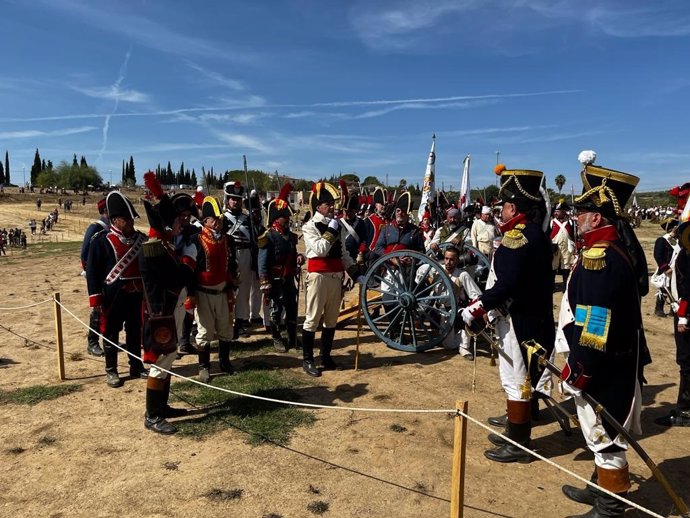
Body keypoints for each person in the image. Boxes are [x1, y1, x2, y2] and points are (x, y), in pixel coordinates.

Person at [558, 153, 646, 518]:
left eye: (580, 214)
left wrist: (580, 369)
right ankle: (599, 487)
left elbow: (595, 324)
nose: (575, 219)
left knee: (605, 435)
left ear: (596, 216)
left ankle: (611, 507)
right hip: (613, 358)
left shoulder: (601, 258)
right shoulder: (607, 250)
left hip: (607, 366)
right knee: (599, 432)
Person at [461, 164, 554, 463]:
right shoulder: (536, 235)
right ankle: (516, 431)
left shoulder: (517, 238)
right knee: (518, 380)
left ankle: (519, 443)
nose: (500, 212)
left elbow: (508, 284)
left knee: (517, 380)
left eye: (504, 206)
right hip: (530, 316)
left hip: (519, 320)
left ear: (513, 207)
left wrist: (477, 307)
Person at [139, 172, 197, 435]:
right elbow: (174, 278)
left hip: (171, 309)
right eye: (175, 222)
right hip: (161, 314)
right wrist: (189, 261)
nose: (179, 226)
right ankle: (152, 416)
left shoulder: (166, 245)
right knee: (160, 362)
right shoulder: (155, 248)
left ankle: (163, 407)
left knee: (169, 358)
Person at [86, 192, 148, 388]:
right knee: (111, 333)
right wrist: (95, 299)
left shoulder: (141, 239)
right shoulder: (101, 240)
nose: (130, 222)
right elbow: (93, 271)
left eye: (131, 218)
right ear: (115, 219)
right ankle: (111, 370)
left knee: (134, 332)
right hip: (112, 297)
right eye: (126, 219)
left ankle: (136, 365)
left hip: (136, 295)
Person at [301, 181, 358, 377]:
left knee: (332, 320)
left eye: (333, 204)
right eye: (328, 204)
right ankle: (308, 359)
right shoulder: (309, 226)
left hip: (335, 277)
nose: (332, 207)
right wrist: (332, 230)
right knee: (312, 319)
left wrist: (354, 269)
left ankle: (325, 356)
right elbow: (320, 250)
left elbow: (342, 252)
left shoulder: (337, 226)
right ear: (319, 206)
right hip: (318, 277)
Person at [189, 196, 238, 382]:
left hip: (223, 291)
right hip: (203, 293)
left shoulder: (228, 240)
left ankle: (225, 362)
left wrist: (233, 280)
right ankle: (204, 366)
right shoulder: (196, 240)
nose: (218, 222)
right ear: (205, 221)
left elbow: (231, 263)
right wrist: (191, 295)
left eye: (219, 219)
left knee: (226, 327)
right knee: (205, 331)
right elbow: (191, 270)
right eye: (214, 219)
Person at [655, 196, 690, 427]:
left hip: (685, 312)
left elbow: (689, 283)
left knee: (686, 360)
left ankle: (685, 411)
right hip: (681, 307)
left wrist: (684, 314)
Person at [258, 183, 305, 352]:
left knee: (292, 307)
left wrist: (299, 257)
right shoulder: (268, 236)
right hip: (274, 279)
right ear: (277, 218)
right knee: (276, 310)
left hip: (289, 278)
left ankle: (292, 337)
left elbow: (294, 254)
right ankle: (277, 337)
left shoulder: (291, 237)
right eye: (285, 215)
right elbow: (262, 262)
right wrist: (264, 282)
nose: (288, 218)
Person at [223, 181, 254, 338]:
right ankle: (229, 324)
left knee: (244, 291)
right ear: (228, 200)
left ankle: (241, 322)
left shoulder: (247, 219)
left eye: (238, 199)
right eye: (233, 199)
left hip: (245, 255)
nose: (235, 202)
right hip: (229, 256)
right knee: (229, 291)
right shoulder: (222, 219)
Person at [80, 197, 109, 357]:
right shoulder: (95, 228)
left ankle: (108, 338)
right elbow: (85, 255)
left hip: (110, 275)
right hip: (98, 276)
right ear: (105, 211)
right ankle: (92, 342)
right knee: (97, 309)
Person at [652, 217, 678, 317]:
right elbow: (658, 255)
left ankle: (673, 309)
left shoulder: (678, 240)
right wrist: (666, 268)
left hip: (676, 269)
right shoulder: (662, 240)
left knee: (675, 289)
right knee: (664, 289)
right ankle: (658, 309)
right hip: (667, 269)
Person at [550, 199, 576, 291]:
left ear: (564, 211)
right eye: (555, 211)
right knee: (553, 266)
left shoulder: (570, 221)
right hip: (554, 247)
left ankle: (565, 286)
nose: (556, 213)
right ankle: (551, 285)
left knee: (566, 266)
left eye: (558, 211)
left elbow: (574, 234)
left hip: (567, 247)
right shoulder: (551, 222)